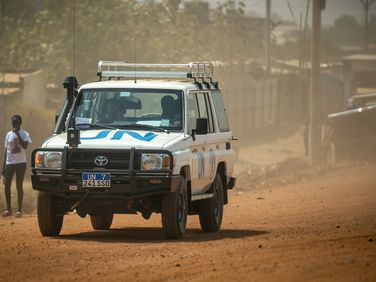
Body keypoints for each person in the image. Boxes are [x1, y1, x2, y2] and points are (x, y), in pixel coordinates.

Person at [2, 115, 32, 218]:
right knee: (7, 187)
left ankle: (19, 211)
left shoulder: (25, 134)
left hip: (21, 164)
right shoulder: (8, 135)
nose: (14, 123)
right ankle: (9, 210)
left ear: (20, 123)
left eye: (16, 121)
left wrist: (18, 134)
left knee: (19, 186)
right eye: (13, 121)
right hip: (9, 163)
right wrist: (3, 171)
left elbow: (25, 146)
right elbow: (6, 151)